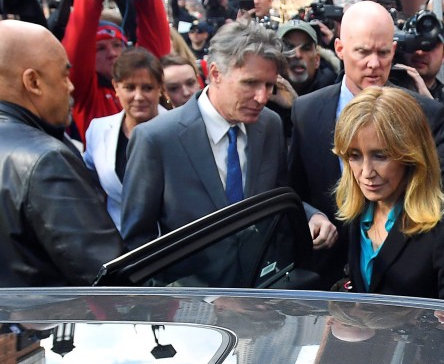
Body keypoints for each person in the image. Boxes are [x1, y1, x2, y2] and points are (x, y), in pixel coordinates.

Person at [121, 20, 337, 251]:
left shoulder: (269, 125)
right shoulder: (156, 139)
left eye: (269, 85)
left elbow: (278, 196)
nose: (262, 97)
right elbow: (137, 240)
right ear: (215, 73)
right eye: (250, 83)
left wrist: (311, 216)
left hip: (262, 281)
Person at [289, 0, 444, 284]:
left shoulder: (424, 113)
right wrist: (311, 215)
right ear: (340, 50)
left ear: (394, 50)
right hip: (326, 279)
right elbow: (293, 188)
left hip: (401, 286)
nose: (374, 64)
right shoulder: (306, 111)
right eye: (363, 52)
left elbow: (442, 196)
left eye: (382, 52)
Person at [0, 20, 125, 286]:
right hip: (51, 324)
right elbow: (108, 279)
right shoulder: (46, 160)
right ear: (33, 81)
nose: (70, 87)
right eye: (64, 75)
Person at [332, 87, 444, 299]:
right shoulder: (357, 214)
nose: (366, 172)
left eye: (380, 156)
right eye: (354, 156)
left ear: (411, 155)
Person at [62, 0, 171, 143]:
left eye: (116, 45)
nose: (112, 53)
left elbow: (157, 44)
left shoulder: (142, 73)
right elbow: (77, 52)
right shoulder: (87, 95)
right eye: (100, 49)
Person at [84, 48, 165, 230]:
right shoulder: (98, 130)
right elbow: (89, 183)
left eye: (147, 88)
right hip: (117, 244)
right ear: (116, 87)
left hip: (170, 243)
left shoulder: (179, 130)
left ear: (160, 88)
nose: (138, 96)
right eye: (129, 87)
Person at [267, 19, 338, 143]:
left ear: (317, 60)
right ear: (277, 58)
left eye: (305, 48)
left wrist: (297, 107)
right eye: (289, 47)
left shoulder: (332, 93)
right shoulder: (265, 93)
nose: (297, 55)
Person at [395, 11, 444, 135]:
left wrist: (430, 105)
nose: (420, 53)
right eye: (415, 44)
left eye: (429, 46)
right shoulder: (384, 88)